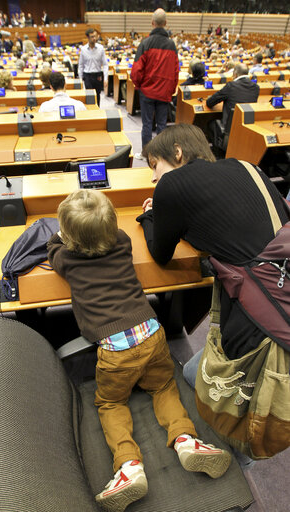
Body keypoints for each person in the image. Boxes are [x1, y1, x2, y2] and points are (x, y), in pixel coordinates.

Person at [47, 189, 231, 512]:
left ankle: (128, 465)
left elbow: (52, 249)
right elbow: (114, 232)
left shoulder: (68, 260)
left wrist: (62, 235)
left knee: (110, 402)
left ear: (70, 239)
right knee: (163, 387)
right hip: (152, 334)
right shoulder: (121, 243)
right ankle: (186, 439)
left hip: (115, 353)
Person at [136, 121, 289, 371]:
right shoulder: (246, 166)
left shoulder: (171, 184)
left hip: (264, 318)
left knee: (190, 373)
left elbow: (160, 254)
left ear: (177, 152)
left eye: (155, 165)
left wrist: (149, 217)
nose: (154, 177)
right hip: (282, 280)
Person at [130, 8, 178, 160]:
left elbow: (136, 70)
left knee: (147, 124)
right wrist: (170, 90)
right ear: (165, 23)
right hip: (164, 92)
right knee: (162, 125)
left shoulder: (145, 43)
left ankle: (146, 154)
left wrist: (138, 86)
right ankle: (162, 155)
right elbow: (175, 71)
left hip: (147, 91)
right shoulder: (172, 45)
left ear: (152, 23)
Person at [206, 63, 259, 133]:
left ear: (235, 74)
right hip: (245, 128)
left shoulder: (231, 85)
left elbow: (210, 102)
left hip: (229, 129)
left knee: (210, 123)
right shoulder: (256, 87)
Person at [78, 28, 108, 107]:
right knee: (89, 96)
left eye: (95, 36)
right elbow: (81, 65)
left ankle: (97, 111)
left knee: (97, 95)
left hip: (97, 75)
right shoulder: (83, 49)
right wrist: (80, 79)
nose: (94, 38)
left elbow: (105, 64)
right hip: (87, 75)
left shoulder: (101, 48)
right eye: (92, 37)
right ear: (88, 38)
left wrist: (105, 78)